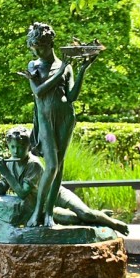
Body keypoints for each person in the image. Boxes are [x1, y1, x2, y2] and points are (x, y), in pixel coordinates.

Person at [18, 22, 97, 228]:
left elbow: (71, 96)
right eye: (34, 47)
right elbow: (39, 91)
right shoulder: (33, 66)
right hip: (44, 119)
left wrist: (82, 71)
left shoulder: (66, 66)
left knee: (58, 168)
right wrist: (60, 69)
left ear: (50, 44)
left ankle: (48, 215)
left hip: (65, 119)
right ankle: (38, 212)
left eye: (41, 47)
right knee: (51, 165)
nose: (37, 51)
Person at [0, 126, 129, 235]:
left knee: (86, 214)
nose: (16, 151)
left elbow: (22, 193)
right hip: (44, 208)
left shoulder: (33, 164)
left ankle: (113, 223)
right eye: (13, 147)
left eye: (21, 147)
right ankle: (98, 216)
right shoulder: (10, 163)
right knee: (75, 220)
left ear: (29, 147)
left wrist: (6, 173)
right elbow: (1, 189)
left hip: (55, 194)